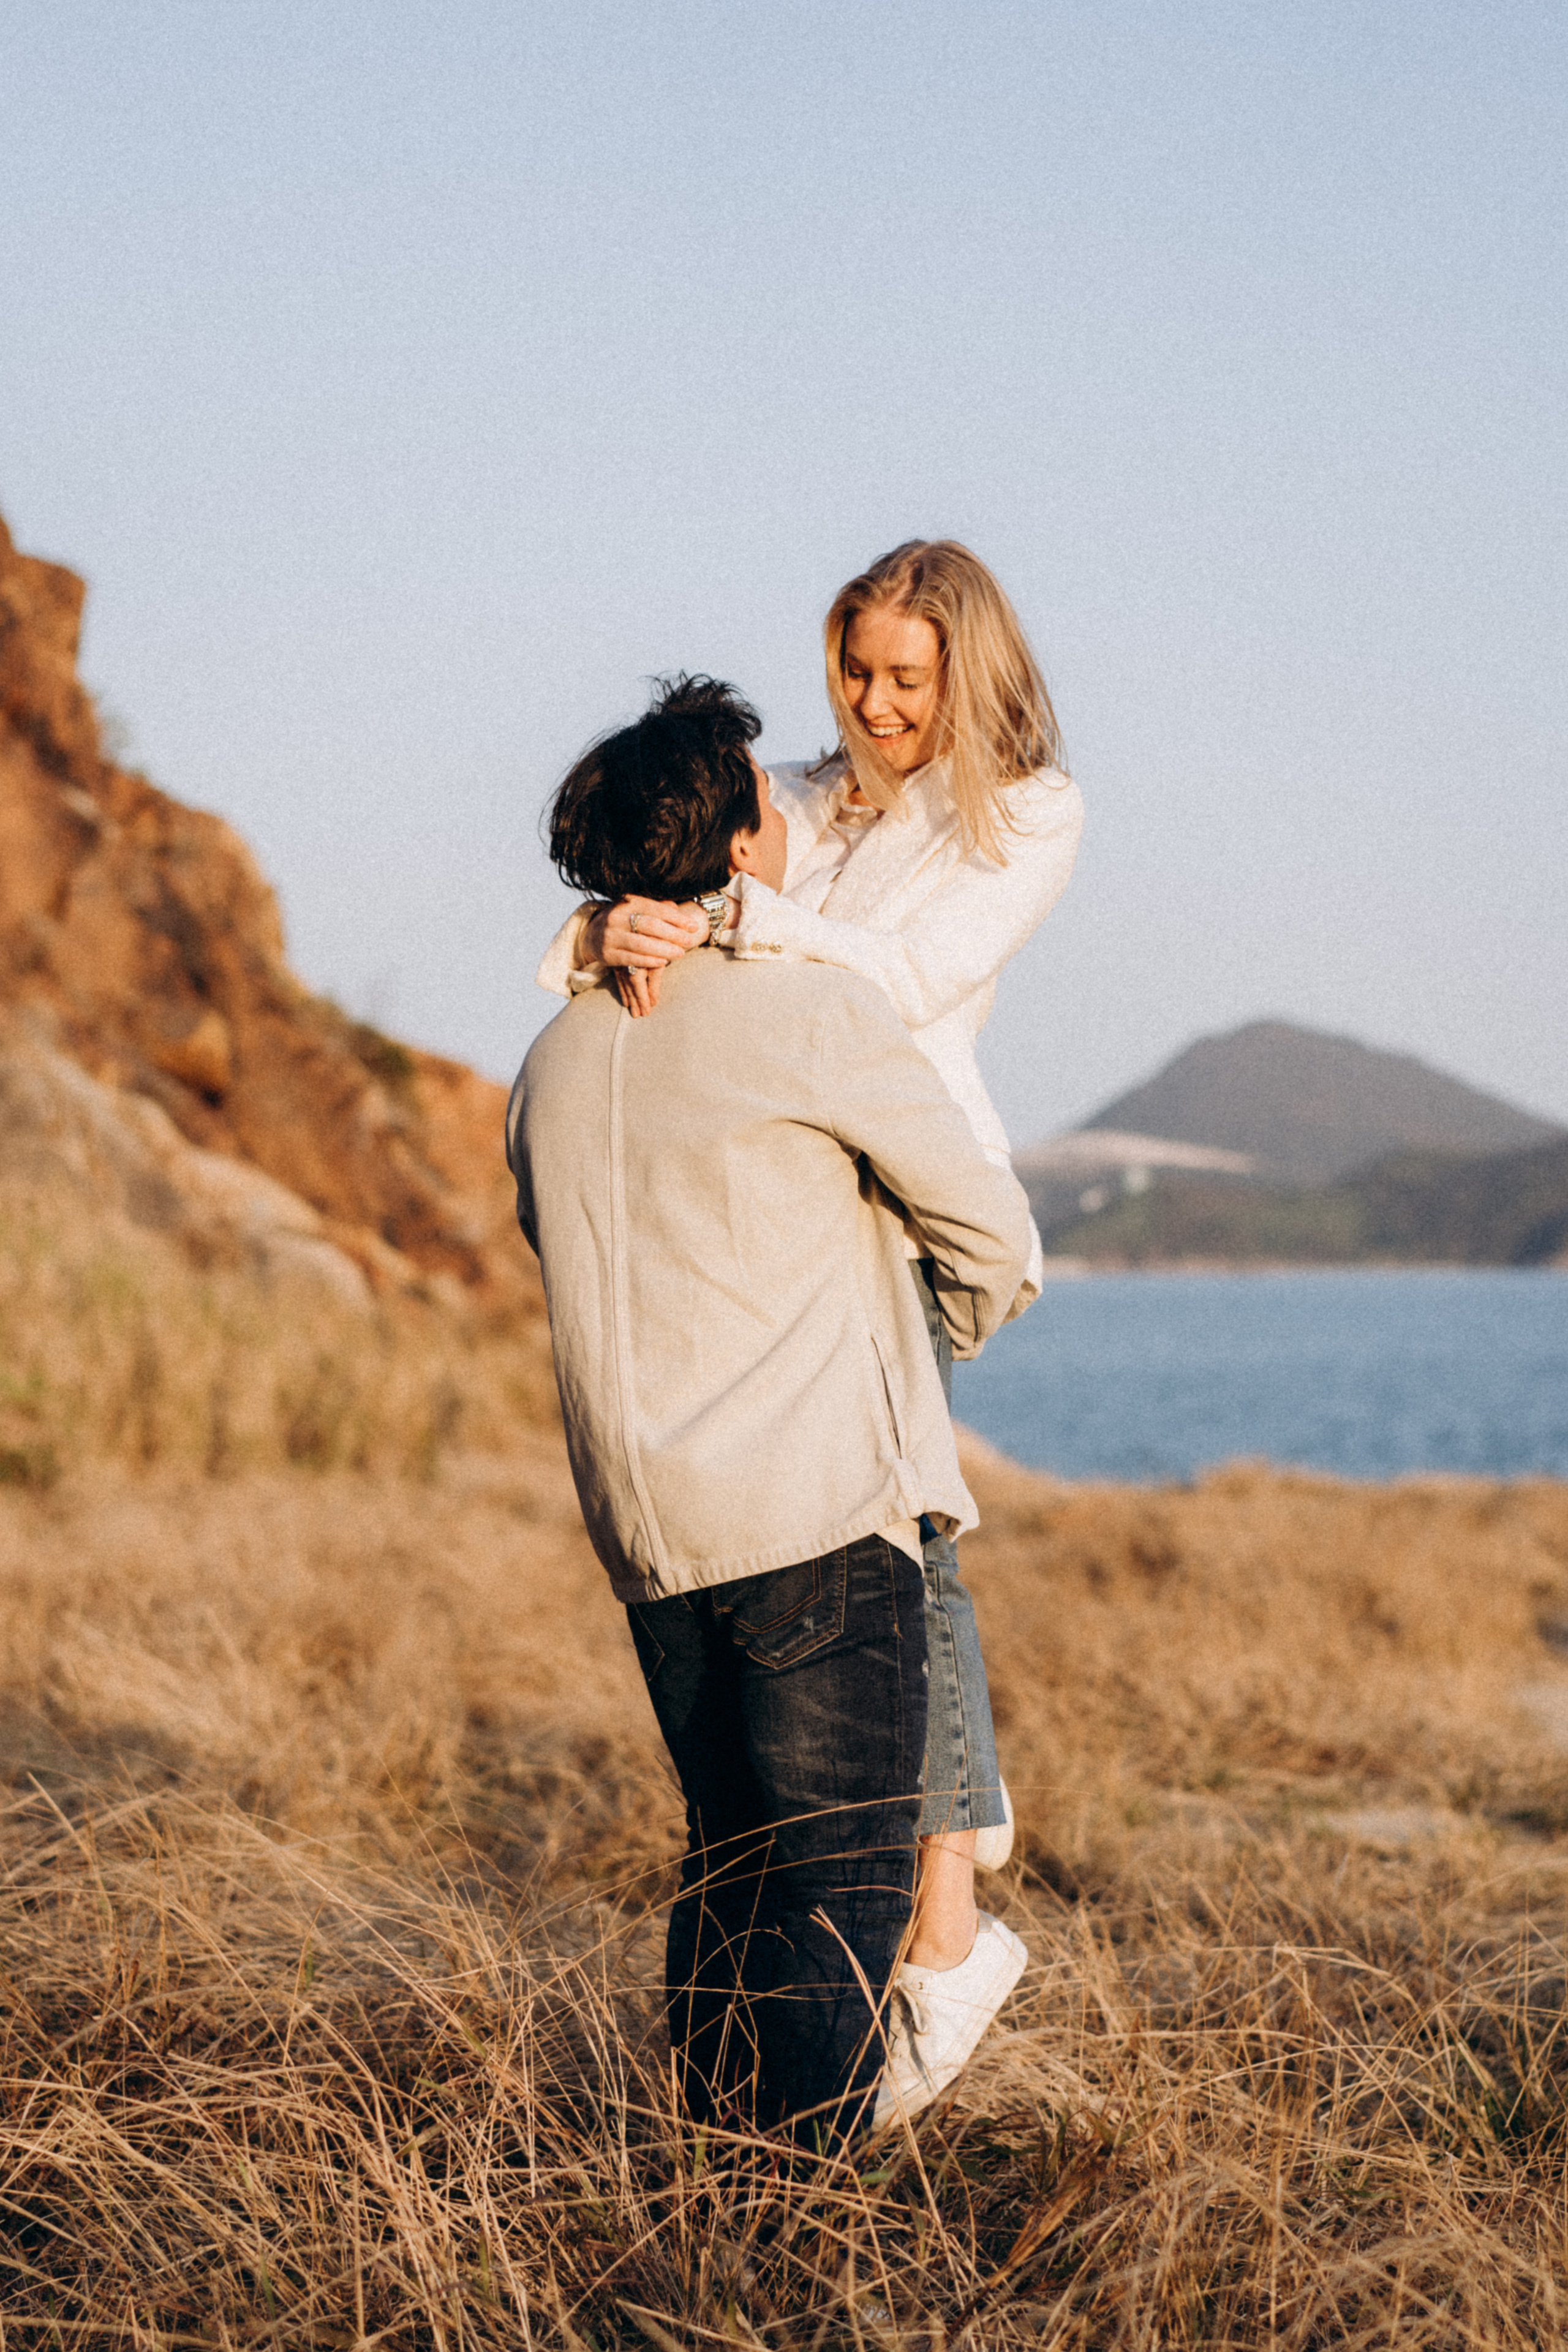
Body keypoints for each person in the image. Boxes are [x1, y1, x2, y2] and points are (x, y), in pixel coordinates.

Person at [535, 543, 1083, 2006]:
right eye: (853, 668)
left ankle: (946, 1909)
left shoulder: (1025, 814)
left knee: (917, 1543)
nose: (873, 702)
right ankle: (915, 1923)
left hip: (897, 1188)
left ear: (969, 668)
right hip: (782, 1188)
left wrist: (718, 913)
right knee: (877, 1557)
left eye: (907, 676)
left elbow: (894, 983)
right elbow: (680, 858)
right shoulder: (804, 792)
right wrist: (611, 921)